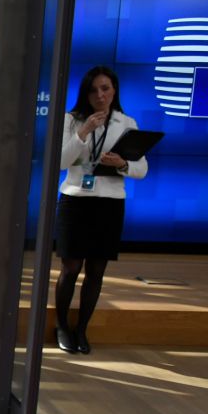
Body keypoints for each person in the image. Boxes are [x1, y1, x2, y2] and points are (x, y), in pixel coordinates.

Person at [55, 65, 148, 354]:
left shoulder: (126, 122)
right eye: (94, 89)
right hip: (75, 200)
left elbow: (142, 169)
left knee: (97, 269)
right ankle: (62, 327)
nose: (100, 94)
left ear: (114, 91)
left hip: (110, 203)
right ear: (86, 93)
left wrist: (121, 164)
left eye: (105, 88)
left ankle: (82, 329)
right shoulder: (72, 120)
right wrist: (84, 132)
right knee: (71, 267)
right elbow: (60, 162)